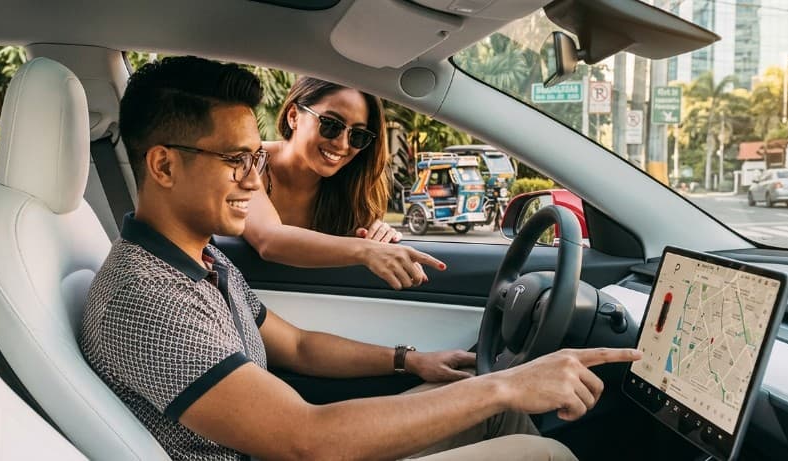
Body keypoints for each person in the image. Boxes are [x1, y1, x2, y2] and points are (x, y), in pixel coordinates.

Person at [80, 55, 642, 461]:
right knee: (536, 450)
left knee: (492, 412)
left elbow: (297, 345)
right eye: (237, 160)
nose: (256, 181)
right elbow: (306, 439)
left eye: (257, 158)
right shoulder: (145, 298)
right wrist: (506, 384)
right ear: (163, 166)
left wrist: (409, 361)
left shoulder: (202, 263)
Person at [244, 76, 443, 291]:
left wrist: (376, 235)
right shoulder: (246, 161)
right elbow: (269, 240)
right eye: (331, 125)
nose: (342, 144)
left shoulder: (348, 191)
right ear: (294, 116)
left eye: (357, 135)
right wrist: (365, 250)